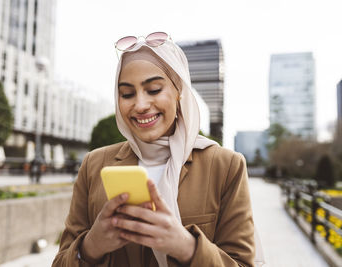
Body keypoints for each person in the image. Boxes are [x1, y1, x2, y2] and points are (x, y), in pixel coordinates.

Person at [53, 32, 262, 266]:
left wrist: (186, 246)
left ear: (178, 90)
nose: (140, 105)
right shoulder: (95, 164)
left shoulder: (225, 166)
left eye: (153, 90)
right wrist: (91, 246)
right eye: (127, 94)